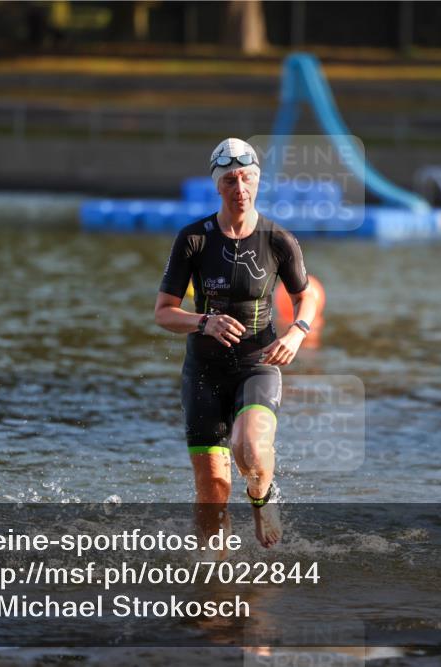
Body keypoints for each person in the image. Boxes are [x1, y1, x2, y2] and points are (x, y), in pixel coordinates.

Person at [154, 138, 319, 549]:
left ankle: (263, 498)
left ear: (258, 182)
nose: (240, 188)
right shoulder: (193, 240)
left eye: (247, 178)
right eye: (230, 179)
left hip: (258, 363)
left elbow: (307, 295)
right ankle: (216, 576)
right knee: (212, 487)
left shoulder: (277, 239)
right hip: (204, 372)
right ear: (217, 185)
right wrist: (203, 322)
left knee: (250, 447)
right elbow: (163, 312)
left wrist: (297, 331)